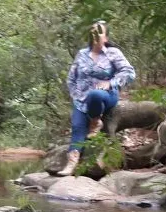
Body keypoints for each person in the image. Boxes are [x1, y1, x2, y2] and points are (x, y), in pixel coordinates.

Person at [58, 20, 136, 176]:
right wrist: (76, 95)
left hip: (106, 96)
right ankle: (72, 163)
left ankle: (95, 122)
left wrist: (111, 82)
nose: (95, 34)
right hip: (81, 99)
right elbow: (70, 79)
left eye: (99, 31)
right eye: (93, 31)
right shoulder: (82, 54)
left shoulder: (113, 53)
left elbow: (129, 73)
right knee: (77, 127)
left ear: (105, 37)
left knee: (95, 94)